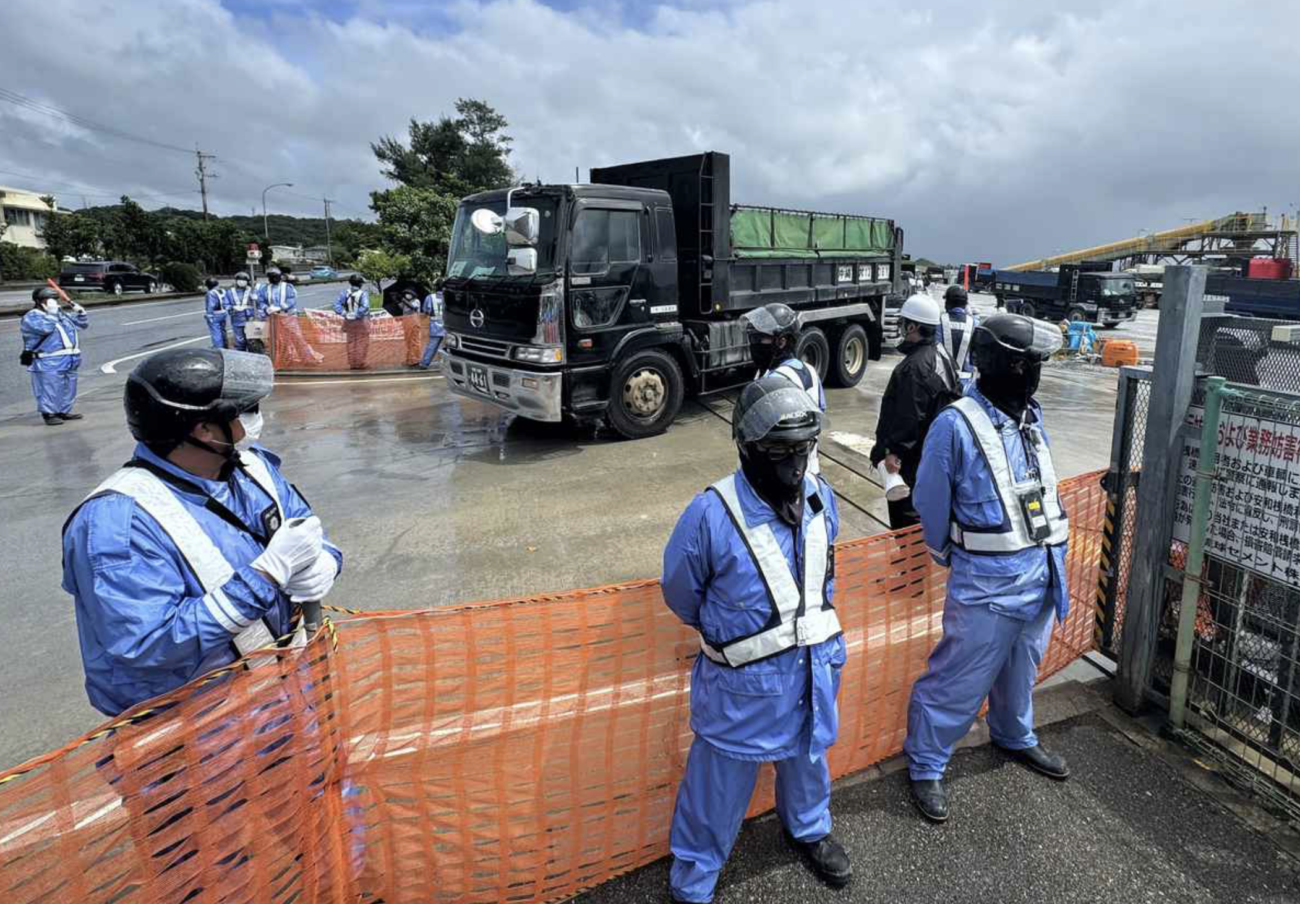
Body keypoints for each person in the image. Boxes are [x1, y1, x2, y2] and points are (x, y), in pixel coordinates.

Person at [62, 347, 343, 716]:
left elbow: (306, 530)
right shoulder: (119, 521)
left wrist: (326, 559)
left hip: (286, 694)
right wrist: (265, 577)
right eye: (245, 410)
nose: (256, 419)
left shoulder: (251, 469)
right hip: (202, 729)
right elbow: (144, 645)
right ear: (205, 429)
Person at [662, 375, 851, 903]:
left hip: (814, 671)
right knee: (717, 783)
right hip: (743, 690)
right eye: (778, 452)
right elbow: (681, 592)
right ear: (746, 447)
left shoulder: (820, 497)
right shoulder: (709, 515)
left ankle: (810, 828)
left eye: (803, 450)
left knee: (809, 758)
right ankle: (695, 875)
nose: (795, 465)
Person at [903, 313, 1070, 824]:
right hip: (989, 585)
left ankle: (1014, 734)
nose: (1033, 376)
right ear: (998, 364)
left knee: (1022, 669)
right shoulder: (955, 425)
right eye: (1027, 365)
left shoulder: (1029, 417)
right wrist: (955, 555)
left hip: (1041, 575)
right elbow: (930, 504)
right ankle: (927, 764)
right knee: (957, 678)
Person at [870, 294, 959, 529]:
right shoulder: (942, 354)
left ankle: (910, 564)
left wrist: (894, 453)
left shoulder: (914, 367)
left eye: (903, 324)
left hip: (913, 461)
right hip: (934, 453)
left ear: (912, 326)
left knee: (907, 516)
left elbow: (909, 415)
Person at [742, 302, 825, 472]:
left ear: (781, 341)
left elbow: (758, 434)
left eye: (760, 338)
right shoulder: (808, 369)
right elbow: (820, 411)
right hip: (807, 463)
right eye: (752, 338)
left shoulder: (775, 382)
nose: (754, 344)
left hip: (781, 471)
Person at [21, 286, 88, 426]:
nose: (53, 303)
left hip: (69, 358)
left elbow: (82, 324)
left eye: (55, 299)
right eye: (49, 300)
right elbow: (45, 328)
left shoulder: (60, 314)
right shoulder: (32, 316)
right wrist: (52, 314)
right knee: (49, 387)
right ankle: (49, 413)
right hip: (48, 359)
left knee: (68, 386)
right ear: (40, 302)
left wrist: (80, 311)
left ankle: (62, 411)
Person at [937, 285, 978, 386]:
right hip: (967, 383)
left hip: (941, 381)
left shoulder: (938, 322)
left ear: (947, 303)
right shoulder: (975, 324)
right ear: (965, 304)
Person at [334, 274, 371, 370]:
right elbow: (365, 307)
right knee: (362, 342)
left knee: (351, 342)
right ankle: (360, 363)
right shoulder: (363, 294)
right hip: (361, 321)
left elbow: (337, 306)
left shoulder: (344, 293)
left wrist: (345, 314)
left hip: (348, 321)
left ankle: (352, 363)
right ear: (360, 284)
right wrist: (357, 315)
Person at [225, 272, 258, 351]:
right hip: (237, 319)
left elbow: (259, 304)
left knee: (252, 341)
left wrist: (256, 299)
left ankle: (253, 356)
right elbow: (225, 304)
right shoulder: (230, 292)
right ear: (236, 281)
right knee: (240, 341)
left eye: (244, 280)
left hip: (250, 319)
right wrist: (232, 308)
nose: (241, 282)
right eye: (240, 280)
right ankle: (241, 356)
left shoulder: (252, 291)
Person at [417, 288, 446, 370]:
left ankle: (424, 363)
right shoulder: (448, 296)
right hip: (447, 325)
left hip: (435, 325)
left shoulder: (430, 297)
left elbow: (426, 311)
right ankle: (446, 364)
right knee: (448, 346)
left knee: (432, 345)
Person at [204, 277, 228, 349]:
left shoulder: (211, 293)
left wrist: (209, 315)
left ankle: (218, 348)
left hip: (215, 314)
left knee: (216, 332)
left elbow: (211, 305)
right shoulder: (222, 291)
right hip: (223, 312)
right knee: (222, 330)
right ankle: (225, 344)